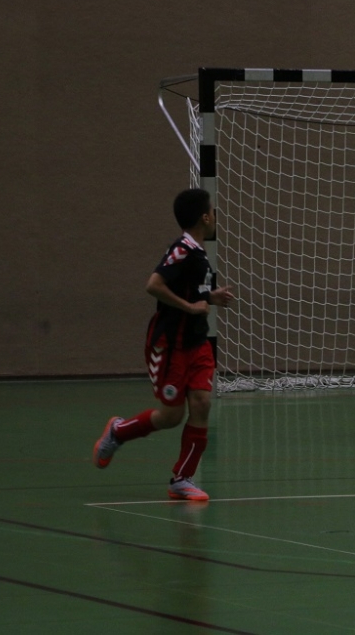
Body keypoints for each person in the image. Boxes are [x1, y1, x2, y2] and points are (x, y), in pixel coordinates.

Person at [92, 188, 234, 501]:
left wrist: (210, 297)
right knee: (171, 416)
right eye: (213, 211)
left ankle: (182, 479)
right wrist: (190, 307)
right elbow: (153, 285)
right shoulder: (181, 249)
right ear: (205, 217)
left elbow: (192, 291)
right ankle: (118, 431)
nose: (216, 216)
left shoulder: (199, 253)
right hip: (171, 344)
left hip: (197, 342)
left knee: (202, 403)